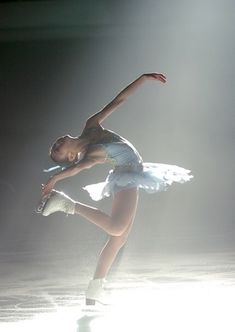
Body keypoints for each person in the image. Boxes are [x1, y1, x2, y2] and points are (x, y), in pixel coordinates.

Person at [38, 72, 193, 305]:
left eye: (55, 144)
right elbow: (76, 170)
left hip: (131, 173)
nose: (57, 144)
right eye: (57, 150)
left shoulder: (91, 126)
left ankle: (94, 289)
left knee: (118, 239)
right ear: (71, 156)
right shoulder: (89, 155)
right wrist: (56, 180)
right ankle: (65, 203)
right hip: (127, 176)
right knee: (116, 228)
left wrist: (143, 79)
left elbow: (118, 100)